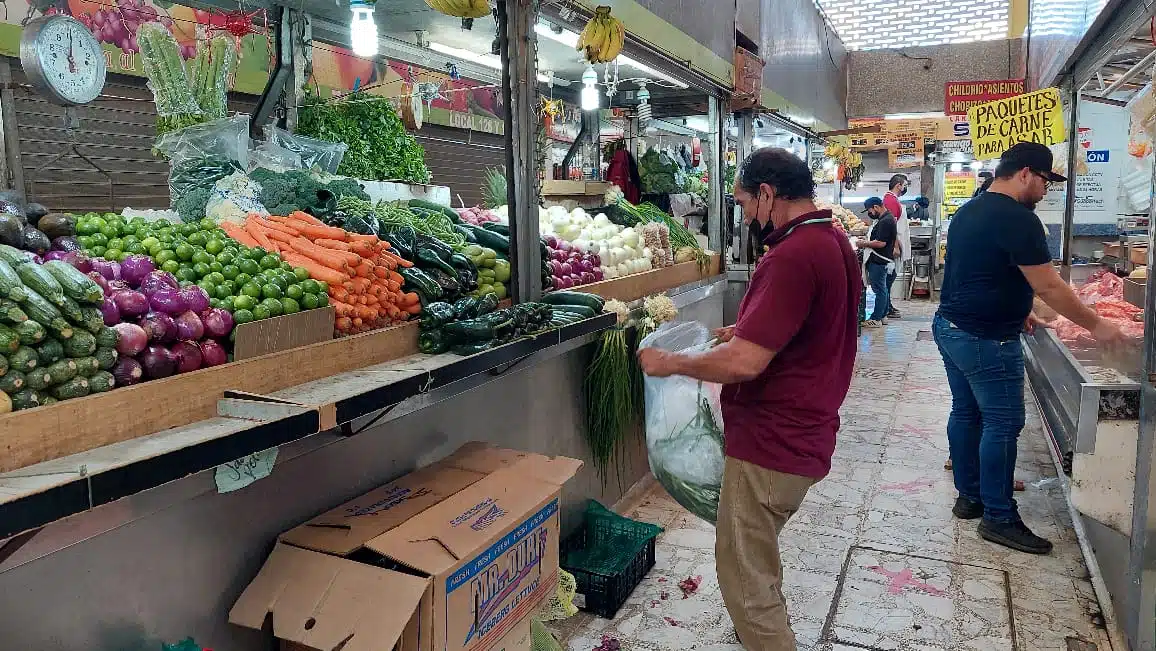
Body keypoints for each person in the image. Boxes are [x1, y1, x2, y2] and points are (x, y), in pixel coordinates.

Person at [638, 147, 859, 651]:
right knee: (755, 553)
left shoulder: (793, 256)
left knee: (745, 576)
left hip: (772, 444)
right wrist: (749, 328)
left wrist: (671, 364)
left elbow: (744, 364)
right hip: (804, 433)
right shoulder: (831, 242)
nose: (745, 217)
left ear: (767, 194)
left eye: (743, 204)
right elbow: (815, 324)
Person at [936, 142, 1126, 555]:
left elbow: (980, 272)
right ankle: (999, 518)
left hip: (951, 327)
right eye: (1044, 181)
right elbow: (1049, 285)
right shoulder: (1019, 220)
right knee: (1003, 423)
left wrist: (1019, 309)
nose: (1045, 190)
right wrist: (1097, 325)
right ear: (1025, 173)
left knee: (966, 413)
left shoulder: (971, 209)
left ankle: (970, 498)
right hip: (986, 339)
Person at [858, 197, 897, 328]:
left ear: (875, 207)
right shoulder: (886, 218)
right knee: (883, 288)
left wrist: (863, 243)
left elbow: (881, 243)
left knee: (879, 289)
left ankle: (876, 318)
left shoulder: (886, 221)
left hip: (880, 260)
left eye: (869, 210)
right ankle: (883, 315)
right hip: (883, 259)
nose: (870, 213)